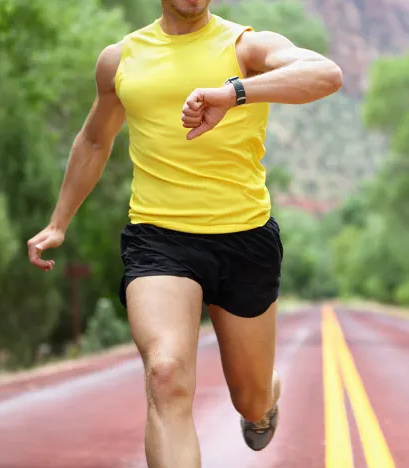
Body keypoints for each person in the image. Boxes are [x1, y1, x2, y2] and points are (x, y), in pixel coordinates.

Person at [27, 0, 342, 466]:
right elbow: (96, 139)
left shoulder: (246, 46)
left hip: (244, 238)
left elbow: (326, 75)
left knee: (250, 401)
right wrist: (59, 221)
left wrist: (234, 92)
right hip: (159, 239)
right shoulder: (121, 59)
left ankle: (264, 398)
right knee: (165, 374)